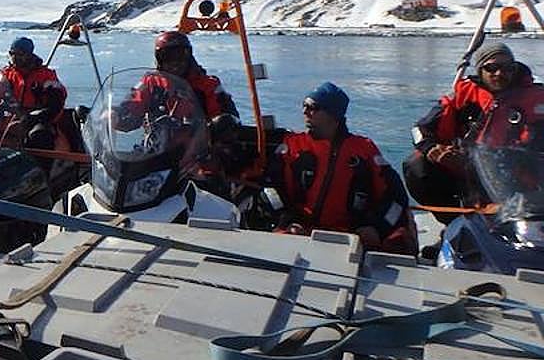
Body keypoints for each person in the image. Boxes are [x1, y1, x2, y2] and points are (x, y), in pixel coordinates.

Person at [405, 42, 544, 222]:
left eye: (507, 68)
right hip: (471, 166)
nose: (499, 73)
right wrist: (432, 148)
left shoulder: (535, 98)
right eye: (491, 68)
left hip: (517, 173)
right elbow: (420, 129)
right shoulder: (463, 94)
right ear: (480, 70)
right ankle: (455, 222)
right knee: (416, 166)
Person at [272, 83, 415, 254]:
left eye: (313, 108)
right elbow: (270, 190)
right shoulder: (292, 145)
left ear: (334, 116)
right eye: (304, 106)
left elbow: (397, 200)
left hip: (351, 239)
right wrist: (286, 222)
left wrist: (379, 228)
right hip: (298, 232)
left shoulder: (364, 150)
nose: (305, 112)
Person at [0, 37, 68, 151]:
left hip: (36, 118)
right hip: (10, 116)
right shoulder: (7, 73)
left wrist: (33, 117)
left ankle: (39, 167)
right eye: (12, 53)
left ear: (29, 55)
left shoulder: (46, 76)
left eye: (20, 54)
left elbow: (55, 105)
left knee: (39, 136)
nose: (15, 57)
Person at [153, 31, 239, 122]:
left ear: (189, 57)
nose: (175, 62)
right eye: (167, 56)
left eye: (181, 55)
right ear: (159, 59)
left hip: (200, 135)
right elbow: (137, 106)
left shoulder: (208, 84)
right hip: (159, 134)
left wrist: (222, 122)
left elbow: (227, 114)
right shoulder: (151, 83)